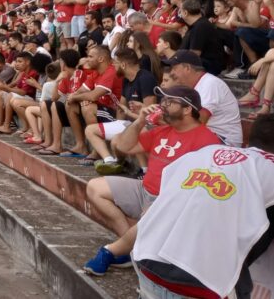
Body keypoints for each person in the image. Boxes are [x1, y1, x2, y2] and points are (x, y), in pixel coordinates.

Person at [83, 86, 221, 276]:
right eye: (163, 101)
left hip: (171, 200)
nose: (162, 105)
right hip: (144, 188)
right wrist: (140, 121)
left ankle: (111, 250)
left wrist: (165, 200)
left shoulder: (208, 140)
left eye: (169, 102)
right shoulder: (162, 130)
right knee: (94, 187)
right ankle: (131, 248)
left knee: (152, 213)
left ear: (188, 109)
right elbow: (123, 146)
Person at [132, 142, 274, 299]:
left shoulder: (205, 150)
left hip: (147, 262)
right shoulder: (266, 169)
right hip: (207, 286)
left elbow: (158, 207)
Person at [86, 48, 157, 174]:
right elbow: (121, 107)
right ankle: (109, 161)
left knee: (124, 138)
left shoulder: (145, 78)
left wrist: (131, 114)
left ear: (123, 64)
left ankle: (145, 171)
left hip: (143, 125)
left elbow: (149, 117)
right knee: (90, 130)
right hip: (129, 123)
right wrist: (118, 124)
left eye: (116, 63)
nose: (113, 66)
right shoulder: (126, 79)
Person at [164, 50, 243, 147]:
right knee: (156, 136)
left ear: (188, 68)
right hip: (207, 136)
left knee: (169, 140)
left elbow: (198, 121)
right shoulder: (193, 86)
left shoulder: (209, 83)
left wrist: (164, 120)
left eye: (174, 68)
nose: (171, 72)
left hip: (224, 141)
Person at [178, 0, 226, 75]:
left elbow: (194, 55)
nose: (179, 14)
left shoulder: (200, 26)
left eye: (180, 11)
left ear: (185, 13)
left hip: (208, 68)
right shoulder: (198, 25)